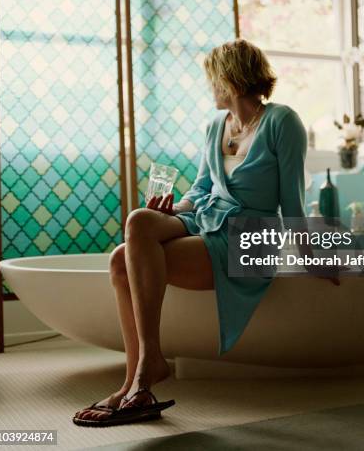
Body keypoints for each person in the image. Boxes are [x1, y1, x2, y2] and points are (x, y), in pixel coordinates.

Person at [73, 38, 309, 426]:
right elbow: (200, 190)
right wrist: (174, 208)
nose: (209, 88)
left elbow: (293, 203)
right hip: (206, 218)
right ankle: (141, 371)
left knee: (121, 261)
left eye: (212, 79)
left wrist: (315, 256)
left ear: (230, 80)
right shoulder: (216, 125)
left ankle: (141, 375)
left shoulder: (282, 122)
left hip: (250, 237)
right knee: (138, 223)